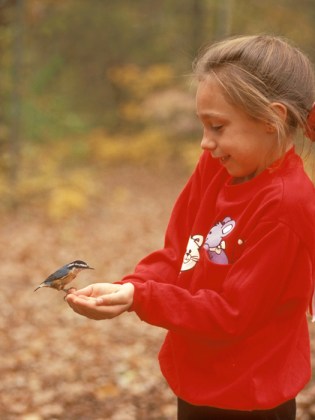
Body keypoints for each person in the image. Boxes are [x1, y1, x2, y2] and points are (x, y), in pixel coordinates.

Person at [66, 35, 315, 420]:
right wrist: (131, 286)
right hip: (199, 379)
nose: (205, 143)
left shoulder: (287, 205)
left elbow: (234, 313)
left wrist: (143, 298)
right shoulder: (216, 168)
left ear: (273, 119)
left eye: (217, 127)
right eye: (204, 125)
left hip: (251, 395)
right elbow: (182, 251)